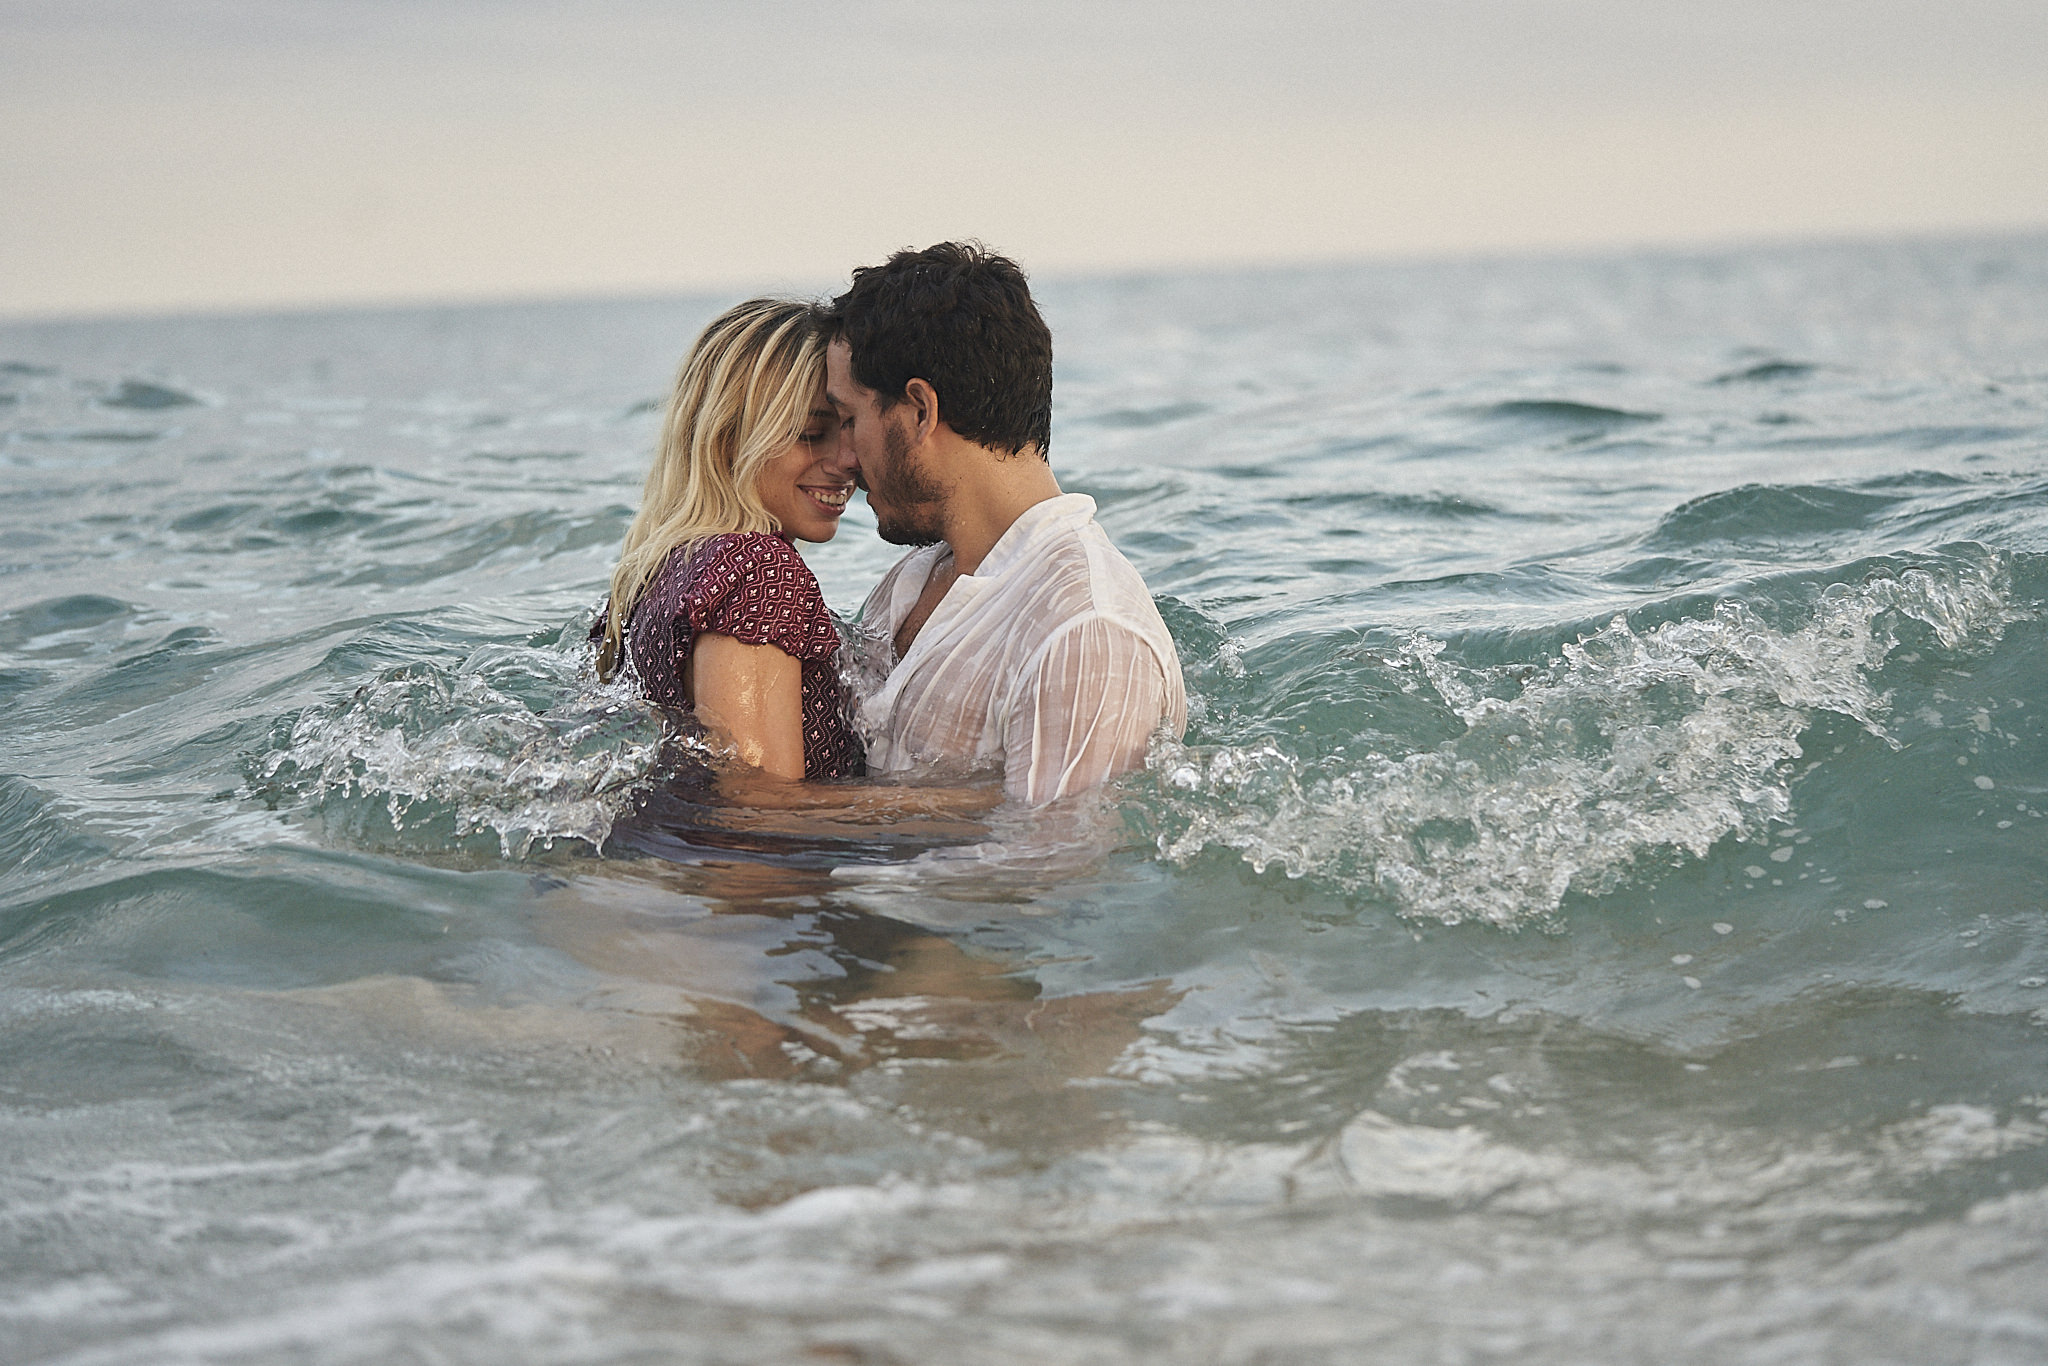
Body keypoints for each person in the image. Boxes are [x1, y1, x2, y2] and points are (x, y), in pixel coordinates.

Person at [823, 242, 1186, 805]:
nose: (844, 456)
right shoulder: (910, 582)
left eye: (849, 420)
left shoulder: (1085, 631)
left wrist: (742, 827)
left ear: (920, 411)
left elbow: (1050, 868)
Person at [595, 298, 864, 786]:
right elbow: (756, 815)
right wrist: (965, 807)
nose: (847, 459)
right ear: (728, 439)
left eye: (849, 428)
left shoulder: (655, 570)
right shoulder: (759, 570)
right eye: (811, 433)